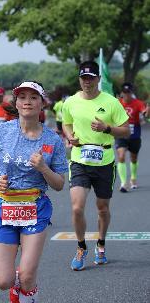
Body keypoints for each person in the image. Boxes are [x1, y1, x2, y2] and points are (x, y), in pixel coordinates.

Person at [0, 81, 68, 303]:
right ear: (16, 103)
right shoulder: (1, 131)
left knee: (28, 277)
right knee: (3, 280)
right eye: (22, 97)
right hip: (4, 208)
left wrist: (43, 168)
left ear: (42, 104)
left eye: (33, 97)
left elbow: (59, 184)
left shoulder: (52, 139)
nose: (27, 101)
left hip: (35, 208)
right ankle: (15, 288)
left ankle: (27, 290)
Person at [62, 61, 129, 271]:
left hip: (104, 161)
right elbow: (66, 122)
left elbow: (126, 130)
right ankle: (81, 247)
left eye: (91, 78)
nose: (87, 82)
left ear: (98, 79)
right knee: (76, 207)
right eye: (84, 78)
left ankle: (101, 243)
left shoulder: (111, 102)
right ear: (79, 79)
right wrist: (69, 136)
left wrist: (107, 128)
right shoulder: (71, 102)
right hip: (80, 159)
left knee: (102, 208)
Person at [116, 82, 149, 192]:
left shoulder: (138, 103)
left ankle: (133, 178)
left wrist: (147, 113)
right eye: (125, 93)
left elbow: (144, 114)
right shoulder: (118, 103)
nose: (126, 95)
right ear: (122, 93)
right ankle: (123, 183)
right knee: (121, 156)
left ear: (131, 93)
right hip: (121, 134)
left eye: (128, 93)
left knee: (133, 158)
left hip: (134, 134)